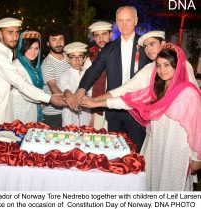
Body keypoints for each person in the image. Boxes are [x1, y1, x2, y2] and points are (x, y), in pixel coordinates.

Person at [81, 44, 201, 190]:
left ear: (178, 66)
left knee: (173, 188)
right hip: (158, 146)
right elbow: (128, 101)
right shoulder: (157, 90)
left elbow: (197, 127)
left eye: (167, 65)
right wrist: (96, 103)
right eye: (159, 65)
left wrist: (196, 158)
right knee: (156, 184)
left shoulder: (188, 93)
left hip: (177, 150)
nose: (162, 70)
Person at [75, 6, 151, 152]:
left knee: (135, 154)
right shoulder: (109, 48)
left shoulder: (145, 47)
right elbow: (93, 70)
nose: (124, 24)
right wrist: (81, 89)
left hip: (137, 110)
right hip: (113, 110)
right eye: (120, 20)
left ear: (135, 21)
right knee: (114, 153)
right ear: (116, 22)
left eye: (128, 20)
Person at [0, 17, 65, 132]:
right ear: (0, 33)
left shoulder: (8, 53)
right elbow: (20, 83)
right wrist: (48, 98)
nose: (15, 36)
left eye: (17, 32)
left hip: (9, 109)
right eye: (10, 32)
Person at [83, 21, 113, 130]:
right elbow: (85, 85)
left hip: (116, 106)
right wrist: (90, 113)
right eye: (97, 35)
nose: (101, 38)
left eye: (104, 34)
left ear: (111, 34)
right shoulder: (90, 58)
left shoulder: (120, 55)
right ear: (94, 38)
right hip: (96, 107)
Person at [10, 31, 45, 123]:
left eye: (36, 48)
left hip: (31, 110)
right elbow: (26, 92)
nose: (33, 52)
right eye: (30, 48)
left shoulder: (34, 66)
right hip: (19, 113)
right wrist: (47, 98)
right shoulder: (16, 66)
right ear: (23, 48)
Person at [41, 24, 70, 128]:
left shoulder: (70, 59)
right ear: (48, 43)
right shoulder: (47, 63)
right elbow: (53, 87)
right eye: (54, 40)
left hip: (68, 113)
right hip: (51, 115)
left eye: (61, 39)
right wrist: (72, 100)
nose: (58, 43)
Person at [59, 42, 92, 126]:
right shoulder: (65, 74)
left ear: (85, 59)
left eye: (80, 57)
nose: (77, 60)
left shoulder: (89, 74)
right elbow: (64, 86)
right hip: (69, 117)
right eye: (73, 57)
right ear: (68, 59)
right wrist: (68, 94)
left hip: (86, 114)